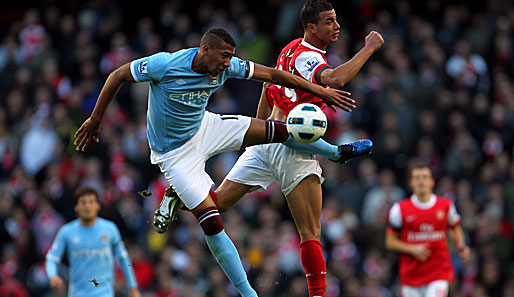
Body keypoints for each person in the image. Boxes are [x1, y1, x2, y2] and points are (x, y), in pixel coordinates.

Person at [73, 27, 358, 297]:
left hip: (206, 127)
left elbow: (273, 74)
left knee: (280, 130)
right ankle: (248, 292)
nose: (228, 63)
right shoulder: (166, 64)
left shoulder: (228, 65)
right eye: (224, 56)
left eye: (231, 57)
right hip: (174, 155)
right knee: (211, 222)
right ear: (205, 49)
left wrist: (320, 91)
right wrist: (96, 119)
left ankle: (334, 152)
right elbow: (118, 75)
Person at [155, 1, 384, 296]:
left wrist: (258, 129)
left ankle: (176, 194)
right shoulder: (308, 58)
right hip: (294, 149)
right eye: (329, 21)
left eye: (336, 20)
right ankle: (318, 294)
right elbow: (335, 80)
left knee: (217, 203)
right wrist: (369, 48)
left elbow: (268, 88)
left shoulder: (289, 48)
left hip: (266, 142)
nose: (336, 26)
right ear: (311, 28)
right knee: (310, 233)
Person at [385, 164, 470, 297]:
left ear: (432, 182)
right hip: (411, 275)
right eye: (417, 178)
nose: (421, 181)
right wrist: (412, 249)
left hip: (438, 272)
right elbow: (390, 242)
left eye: (424, 177)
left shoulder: (446, 205)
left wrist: (461, 246)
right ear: (411, 182)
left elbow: (455, 228)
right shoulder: (400, 209)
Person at [45, 187, 140, 297]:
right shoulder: (67, 232)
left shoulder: (110, 229)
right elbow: (51, 258)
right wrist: (52, 275)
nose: (87, 206)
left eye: (91, 202)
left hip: (104, 294)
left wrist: (133, 286)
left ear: (97, 206)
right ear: (76, 207)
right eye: (83, 203)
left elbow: (123, 258)